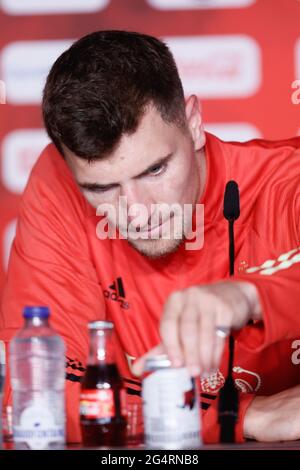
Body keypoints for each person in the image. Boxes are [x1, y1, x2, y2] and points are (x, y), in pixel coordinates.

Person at [1, 30, 300, 444]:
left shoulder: (287, 181)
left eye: (154, 170)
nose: (137, 211)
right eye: (101, 189)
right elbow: (38, 395)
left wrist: (248, 295)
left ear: (193, 123)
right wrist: (238, 416)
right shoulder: (59, 184)